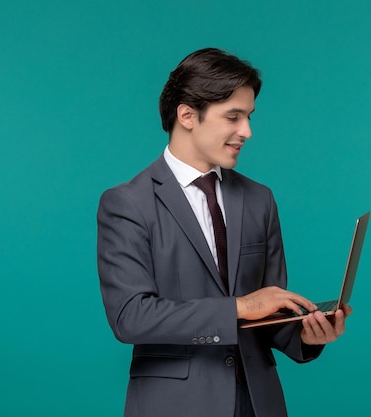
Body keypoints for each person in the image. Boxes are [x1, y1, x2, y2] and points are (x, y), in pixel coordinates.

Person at [97, 47, 352, 417]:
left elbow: (268, 315)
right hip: (174, 406)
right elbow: (131, 317)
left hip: (257, 403)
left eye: (248, 117)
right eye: (233, 116)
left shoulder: (260, 199)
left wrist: (307, 335)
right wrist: (240, 306)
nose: (246, 131)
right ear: (187, 115)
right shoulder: (127, 204)